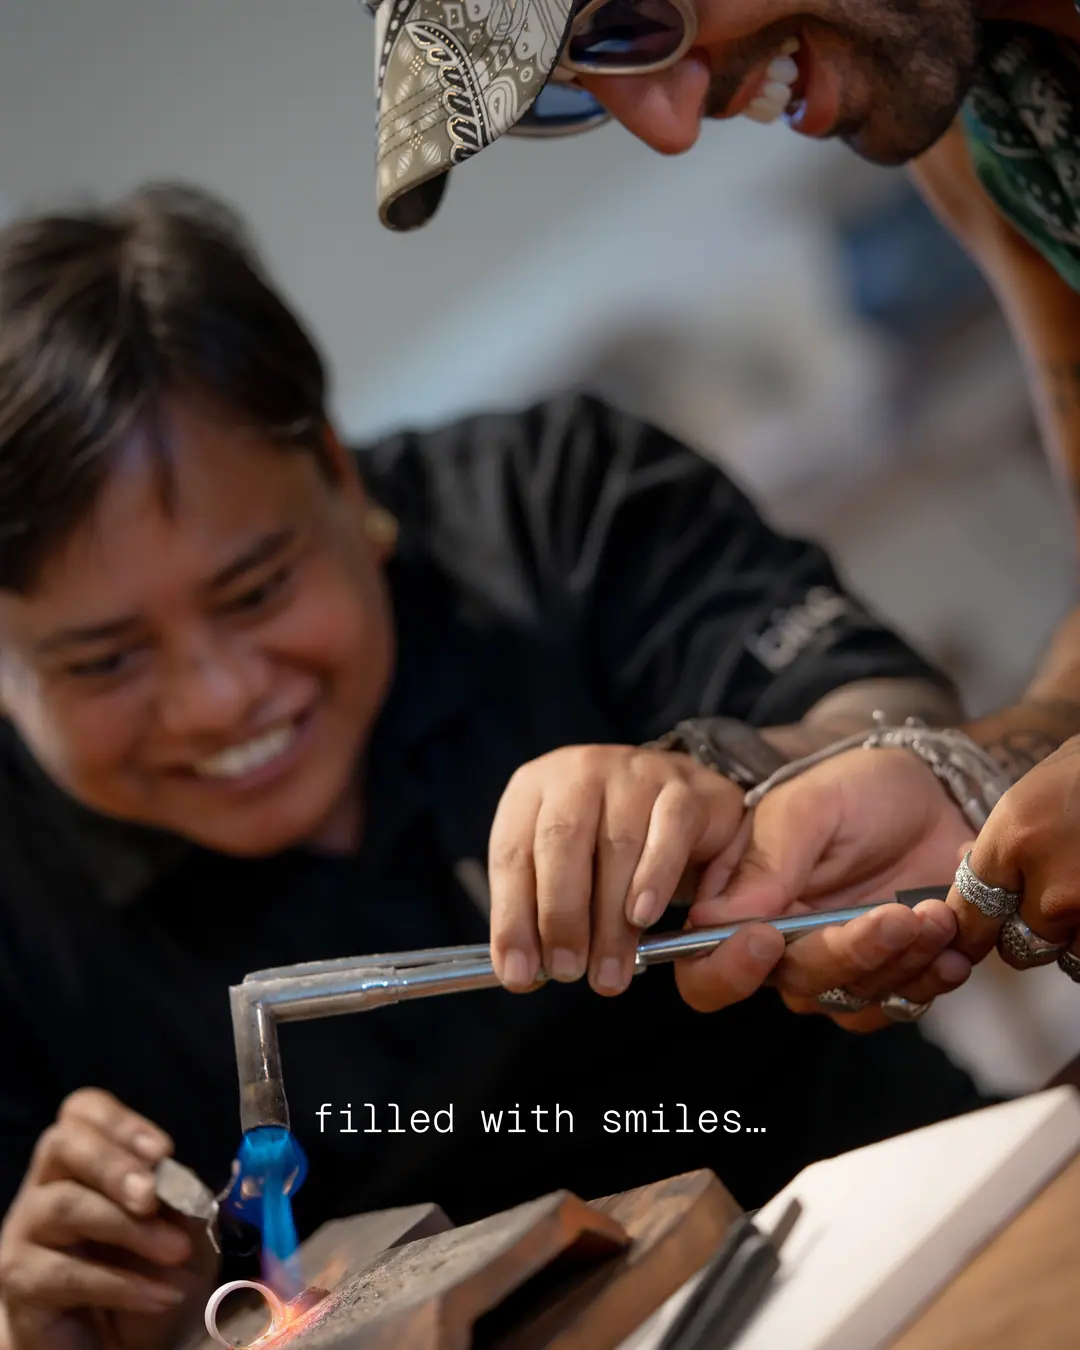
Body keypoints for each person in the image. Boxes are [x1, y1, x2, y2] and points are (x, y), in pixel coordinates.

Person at [0, 182, 993, 1350]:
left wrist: (738, 769)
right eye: (107, 661)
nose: (218, 699)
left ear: (338, 475)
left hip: (905, 1241)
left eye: (258, 591)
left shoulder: (554, 503)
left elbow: (895, 724)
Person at [365, 0, 1080, 1022]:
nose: (667, 129)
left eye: (629, 16)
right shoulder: (989, 127)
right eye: (574, 88)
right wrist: (962, 780)